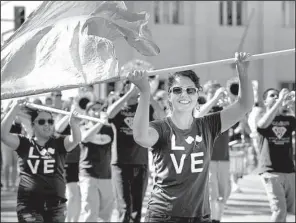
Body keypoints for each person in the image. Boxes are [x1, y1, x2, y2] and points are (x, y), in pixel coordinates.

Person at [129, 52, 253, 222]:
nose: (184, 95)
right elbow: (140, 137)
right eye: (177, 90)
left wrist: (243, 71)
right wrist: (144, 92)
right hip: (163, 215)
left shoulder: (208, 125)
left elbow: (244, 105)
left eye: (190, 90)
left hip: (199, 215)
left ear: (197, 94)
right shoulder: (161, 128)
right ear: (169, 96)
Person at [1, 100, 81, 222]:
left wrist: (73, 124)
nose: (47, 124)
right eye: (42, 121)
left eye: (50, 121)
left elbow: (75, 140)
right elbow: (3, 135)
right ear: (33, 125)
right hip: (29, 205)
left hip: (56, 205)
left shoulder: (59, 143)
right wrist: (15, 109)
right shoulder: (24, 143)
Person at [107, 80, 165, 222]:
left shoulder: (145, 106)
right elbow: (109, 114)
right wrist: (129, 94)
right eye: (132, 85)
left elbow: (162, 118)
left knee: (137, 209)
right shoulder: (118, 102)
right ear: (126, 86)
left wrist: (148, 95)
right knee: (125, 207)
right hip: (120, 163)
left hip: (141, 162)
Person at [256, 88, 295, 222]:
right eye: (272, 96)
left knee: (290, 211)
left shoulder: (289, 119)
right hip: (270, 171)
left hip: (289, 170)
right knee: (279, 211)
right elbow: (262, 125)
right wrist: (279, 103)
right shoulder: (262, 117)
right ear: (265, 101)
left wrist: (293, 105)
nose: (277, 97)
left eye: (278, 95)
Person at [196, 81, 232, 223]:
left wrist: (228, 102)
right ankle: (213, 219)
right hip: (207, 157)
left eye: (218, 92)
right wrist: (215, 99)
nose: (216, 95)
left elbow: (240, 118)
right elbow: (198, 116)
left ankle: (217, 218)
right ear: (206, 93)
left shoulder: (224, 110)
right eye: (212, 91)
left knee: (225, 192)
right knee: (212, 193)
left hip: (223, 156)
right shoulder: (202, 108)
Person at [79, 100, 115, 222]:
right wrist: (100, 122)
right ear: (87, 112)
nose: (97, 112)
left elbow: (105, 139)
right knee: (90, 212)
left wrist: (99, 128)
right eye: (94, 109)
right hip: (88, 174)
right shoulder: (82, 126)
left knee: (106, 214)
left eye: (99, 109)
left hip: (106, 175)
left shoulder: (108, 129)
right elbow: (85, 137)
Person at [55, 112, 81, 222]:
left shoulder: (78, 121)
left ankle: (74, 219)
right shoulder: (61, 121)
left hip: (79, 162)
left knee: (77, 196)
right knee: (72, 194)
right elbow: (58, 128)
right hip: (67, 162)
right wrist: (69, 115)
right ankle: (68, 220)